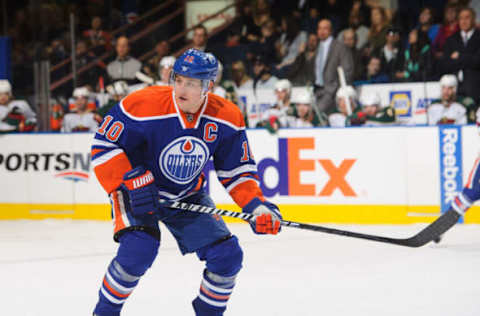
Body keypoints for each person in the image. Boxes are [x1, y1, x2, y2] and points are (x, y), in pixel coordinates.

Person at [90, 48, 282, 316]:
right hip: (136, 191)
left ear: (209, 86)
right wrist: (128, 179)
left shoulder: (227, 116)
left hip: (186, 196)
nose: (181, 88)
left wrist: (257, 206)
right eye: (178, 80)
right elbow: (103, 144)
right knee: (139, 250)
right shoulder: (142, 104)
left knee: (227, 256)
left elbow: (237, 171)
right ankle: (104, 312)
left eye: (191, 83)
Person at [314, 19, 354, 114]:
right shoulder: (317, 47)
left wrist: (338, 91)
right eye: (319, 28)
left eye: (325, 28)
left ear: (330, 30)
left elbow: (348, 70)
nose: (322, 31)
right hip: (317, 90)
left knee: (317, 113)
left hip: (332, 91)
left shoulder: (340, 47)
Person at [441, 7, 480, 103]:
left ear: (473, 19)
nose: (464, 21)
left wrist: (459, 57)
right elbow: (446, 63)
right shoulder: (451, 39)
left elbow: (478, 61)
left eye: (467, 18)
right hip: (455, 88)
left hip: (475, 88)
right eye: (461, 18)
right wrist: (468, 58)